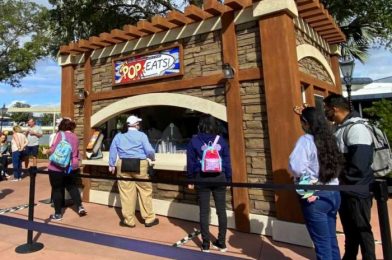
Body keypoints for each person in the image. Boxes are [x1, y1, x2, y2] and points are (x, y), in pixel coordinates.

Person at [324, 93, 376, 260]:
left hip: (357, 190)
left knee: (362, 231)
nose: (326, 113)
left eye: (326, 109)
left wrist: (340, 178)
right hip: (346, 189)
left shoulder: (357, 128)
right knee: (350, 231)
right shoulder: (340, 127)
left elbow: (359, 165)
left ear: (335, 109)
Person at [289, 107, 343, 260]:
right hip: (334, 192)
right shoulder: (331, 139)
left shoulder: (306, 140)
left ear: (306, 123)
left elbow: (296, 167)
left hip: (315, 194)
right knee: (331, 238)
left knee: (322, 242)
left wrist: (305, 176)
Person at [186, 115, 232, 253]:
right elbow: (227, 162)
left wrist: (191, 179)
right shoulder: (222, 141)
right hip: (220, 178)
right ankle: (221, 243)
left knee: (204, 211)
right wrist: (229, 179)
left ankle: (205, 244)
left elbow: (191, 162)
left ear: (200, 126)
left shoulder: (194, 141)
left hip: (202, 178)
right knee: (221, 210)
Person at [109, 115, 158, 228]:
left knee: (126, 193)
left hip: (123, 164)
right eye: (138, 123)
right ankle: (149, 218)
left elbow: (113, 150)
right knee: (145, 190)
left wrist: (111, 164)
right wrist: (152, 157)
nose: (139, 125)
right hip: (140, 164)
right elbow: (149, 150)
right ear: (136, 125)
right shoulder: (142, 135)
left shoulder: (118, 136)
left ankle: (128, 220)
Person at [46, 117, 87, 221]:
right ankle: (80, 207)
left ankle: (58, 214)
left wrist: (47, 151)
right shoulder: (75, 137)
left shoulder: (59, 135)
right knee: (72, 187)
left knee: (57, 189)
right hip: (71, 167)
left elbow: (53, 149)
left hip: (56, 167)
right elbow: (76, 152)